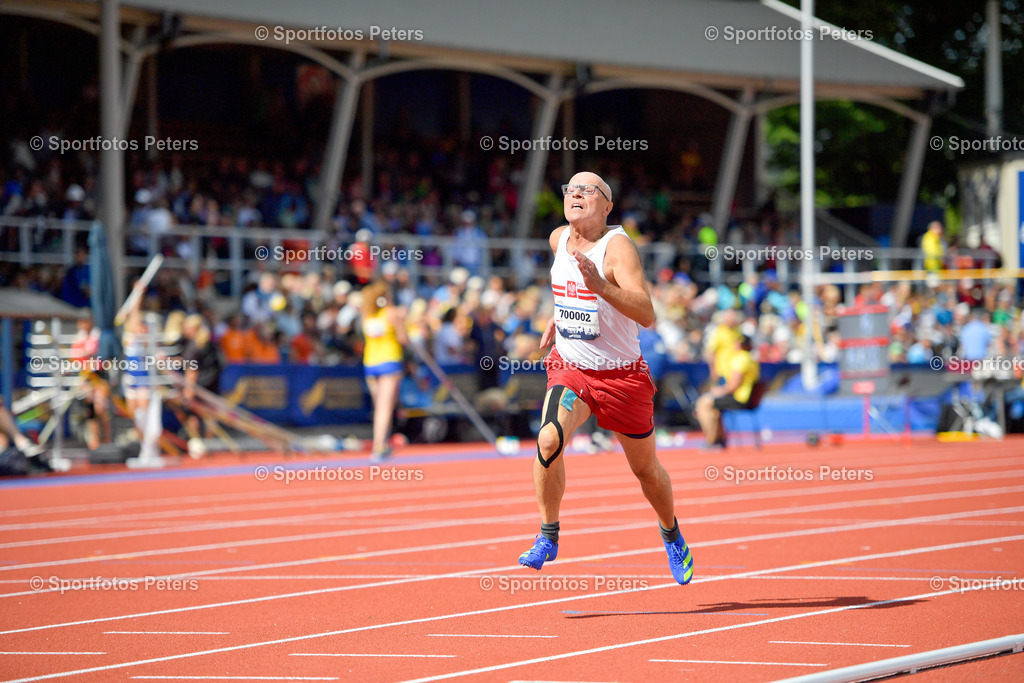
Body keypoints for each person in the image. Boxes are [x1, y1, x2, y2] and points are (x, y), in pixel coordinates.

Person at [517, 171, 694, 585]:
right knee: (548, 439)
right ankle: (548, 535)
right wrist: (555, 318)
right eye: (569, 189)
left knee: (646, 470)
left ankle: (671, 533)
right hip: (573, 367)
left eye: (586, 190)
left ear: (607, 205)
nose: (575, 195)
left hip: (622, 377)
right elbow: (566, 290)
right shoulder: (558, 238)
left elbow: (647, 314)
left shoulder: (618, 249)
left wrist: (600, 285)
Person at [361, 281, 408, 461]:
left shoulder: (367, 315)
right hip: (389, 361)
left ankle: (383, 443)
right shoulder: (391, 313)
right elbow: (403, 338)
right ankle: (379, 445)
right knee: (385, 407)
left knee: (379, 406)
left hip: (371, 363)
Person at [695, 335, 760, 448]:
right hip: (747, 398)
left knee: (704, 402)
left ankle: (712, 439)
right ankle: (719, 437)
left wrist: (718, 391)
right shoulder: (751, 359)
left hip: (739, 398)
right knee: (713, 407)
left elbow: (733, 386)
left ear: (740, 345)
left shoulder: (740, 359)